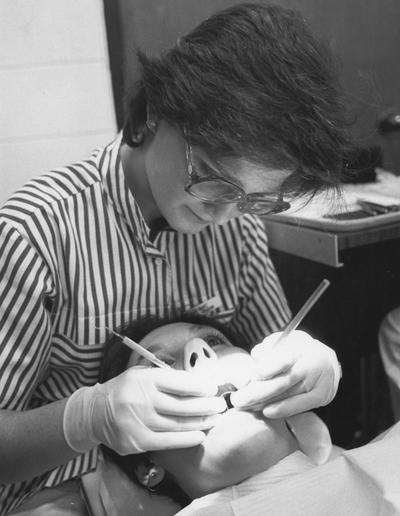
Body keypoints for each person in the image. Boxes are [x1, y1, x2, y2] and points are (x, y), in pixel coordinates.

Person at [0, 3, 349, 514]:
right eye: (211, 175)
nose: (224, 212)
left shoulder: (238, 231)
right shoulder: (35, 235)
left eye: (254, 197)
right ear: (159, 110)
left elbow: (279, 368)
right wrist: (85, 419)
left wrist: (304, 371)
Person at [88, 313, 334, 516]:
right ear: (147, 465)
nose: (199, 350)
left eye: (215, 341)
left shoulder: (370, 469)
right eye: (156, 365)